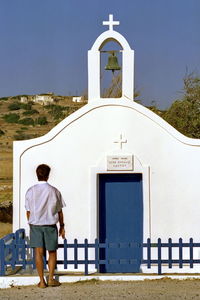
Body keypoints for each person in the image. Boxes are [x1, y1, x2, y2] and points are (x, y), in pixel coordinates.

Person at [25, 164, 66, 288]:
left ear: (37, 174)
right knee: (52, 252)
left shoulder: (30, 191)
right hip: (50, 225)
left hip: (35, 224)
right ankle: (51, 278)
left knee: (38, 252)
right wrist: (62, 226)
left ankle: (42, 281)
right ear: (48, 175)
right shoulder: (54, 191)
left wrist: (32, 223)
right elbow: (59, 211)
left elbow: (28, 211)